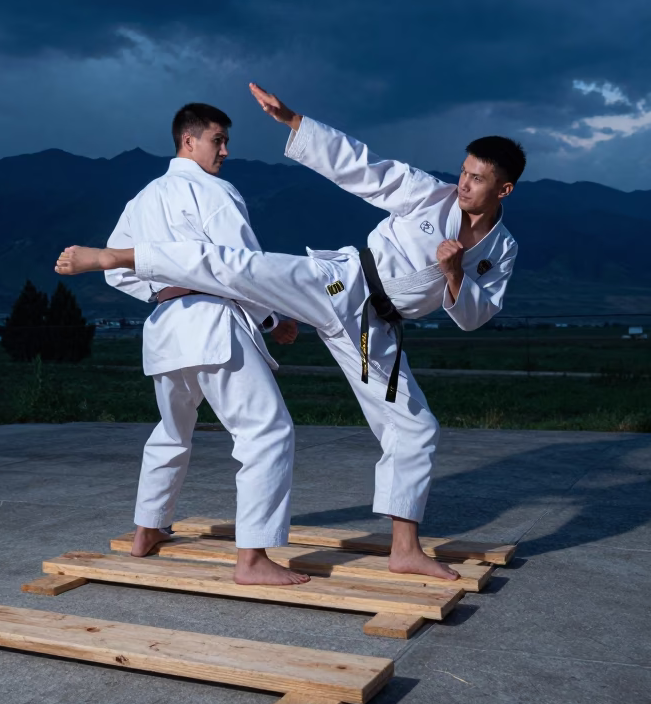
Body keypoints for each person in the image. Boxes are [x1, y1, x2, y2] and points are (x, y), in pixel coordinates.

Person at [56, 85, 525, 581]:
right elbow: (363, 168)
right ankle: (121, 255)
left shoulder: (504, 248)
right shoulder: (431, 194)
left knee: (416, 427)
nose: (464, 184)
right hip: (340, 282)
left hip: (375, 328)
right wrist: (295, 122)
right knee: (240, 267)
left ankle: (404, 548)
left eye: (477, 179)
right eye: (464, 172)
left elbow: (476, 316)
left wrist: (454, 275)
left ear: (504, 189)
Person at [104, 100, 309, 586]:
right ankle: (253, 560)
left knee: (171, 432)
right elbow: (244, 265)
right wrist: (271, 319)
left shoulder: (143, 199)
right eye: (218, 140)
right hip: (214, 325)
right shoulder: (214, 191)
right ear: (188, 141)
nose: (226, 150)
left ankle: (147, 529)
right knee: (267, 432)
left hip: (165, 329)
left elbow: (114, 267)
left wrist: (161, 287)